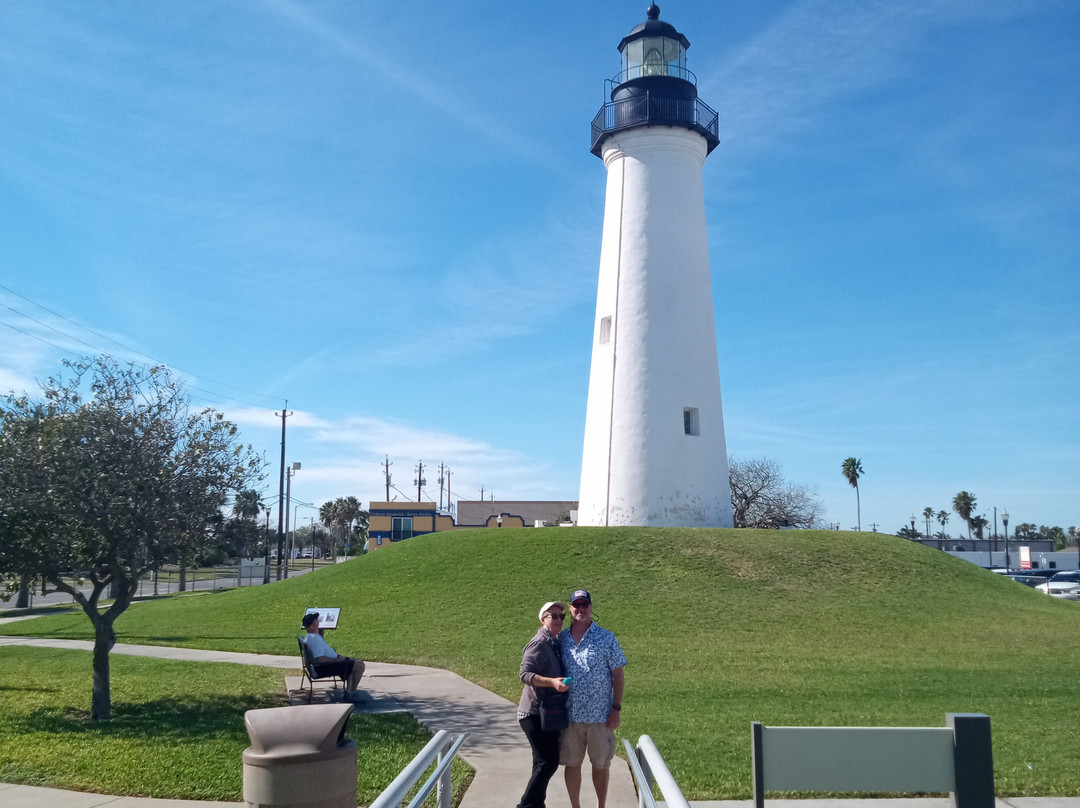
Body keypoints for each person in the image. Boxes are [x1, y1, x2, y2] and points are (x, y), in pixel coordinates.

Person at [557, 589, 627, 808]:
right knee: (572, 764)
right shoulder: (561, 639)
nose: (580, 609)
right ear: (570, 609)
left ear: (591, 607)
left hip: (600, 716)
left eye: (584, 605)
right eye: (576, 605)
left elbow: (618, 675)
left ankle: (601, 805)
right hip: (570, 717)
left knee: (601, 765)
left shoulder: (606, 637)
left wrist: (616, 709)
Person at [515, 601, 571, 808]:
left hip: (547, 712)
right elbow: (525, 674)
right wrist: (552, 682)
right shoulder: (538, 642)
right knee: (548, 763)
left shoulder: (553, 642)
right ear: (542, 619)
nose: (558, 620)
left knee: (541, 762)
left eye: (561, 616)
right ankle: (526, 805)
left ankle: (537, 805)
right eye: (553, 616)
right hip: (533, 713)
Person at [301, 612, 366, 702]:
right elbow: (321, 659)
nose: (319, 622)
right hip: (324, 668)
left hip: (328, 664)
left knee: (353, 661)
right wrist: (337, 659)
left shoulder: (312, 636)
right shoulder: (314, 640)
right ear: (313, 625)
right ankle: (352, 694)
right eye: (317, 621)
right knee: (360, 665)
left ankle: (348, 692)